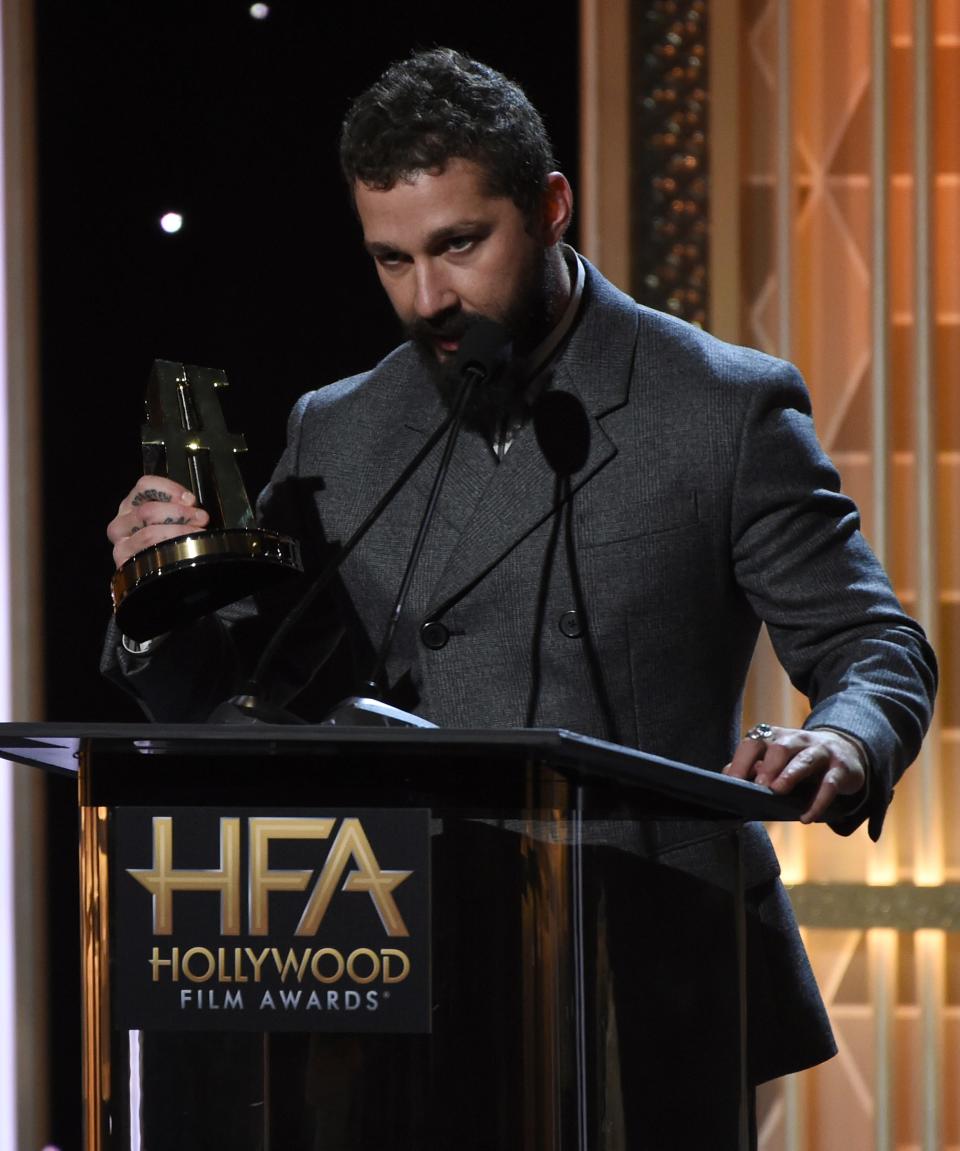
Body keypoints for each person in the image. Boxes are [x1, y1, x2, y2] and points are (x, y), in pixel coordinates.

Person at [102, 48, 936, 1147]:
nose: (427, 298)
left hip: (646, 970)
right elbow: (236, 696)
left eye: (459, 245)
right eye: (390, 260)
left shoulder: (720, 407)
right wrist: (153, 597)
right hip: (382, 963)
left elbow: (876, 645)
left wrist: (844, 739)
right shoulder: (339, 428)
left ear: (549, 207)